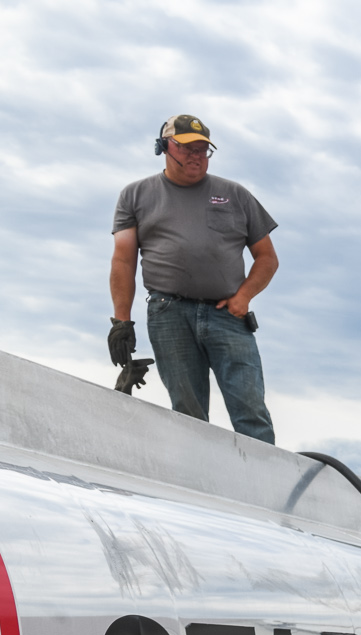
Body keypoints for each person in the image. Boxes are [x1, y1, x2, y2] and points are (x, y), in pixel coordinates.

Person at [109, 114, 279, 443]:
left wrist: (243, 297)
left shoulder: (236, 195)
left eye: (202, 149)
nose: (196, 156)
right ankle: (199, 490)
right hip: (168, 313)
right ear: (163, 148)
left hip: (228, 315)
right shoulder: (135, 195)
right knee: (188, 414)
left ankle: (264, 490)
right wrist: (121, 321)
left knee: (250, 409)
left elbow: (267, 258)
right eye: (187, 148)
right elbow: (123, 260)